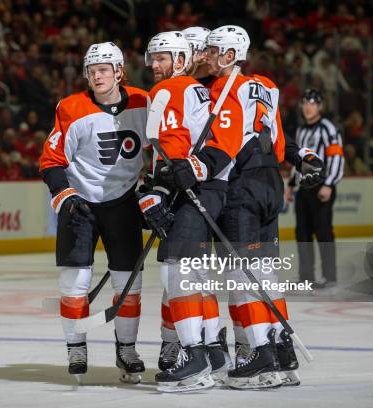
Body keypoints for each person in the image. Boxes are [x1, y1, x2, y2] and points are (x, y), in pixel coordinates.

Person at [204, 26, 324, 389]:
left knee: (242, 274)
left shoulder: (219, 88)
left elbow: (222, 145)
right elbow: (277, 139)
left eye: (213, 51)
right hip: (270, 180)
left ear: (230, 55)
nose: (206, 56)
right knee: (265, 272)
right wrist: (300, 156)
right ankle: (281, 348)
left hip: (241, 185)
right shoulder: (267, 85)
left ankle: (261, 355)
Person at [38, 42, 148, 385]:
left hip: (124, 202)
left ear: (119, 72)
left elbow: (162, 149)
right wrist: (65, 193)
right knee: (75, 282)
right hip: (80, 203)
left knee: (129, 283)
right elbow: (50, 160)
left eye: (104, 69)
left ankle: (126, 348)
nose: (97, 75)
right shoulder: (72, 108)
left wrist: (155, 189)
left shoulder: (145, 102)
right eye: (91, 70)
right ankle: (76, 346)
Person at [140, 31, 240, 392]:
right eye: (152, 58)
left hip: (195, 188)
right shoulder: (200, 90)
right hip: (209, 186)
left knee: (176, 271)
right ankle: (212, 353)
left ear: (181, 61)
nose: (154, 65)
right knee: (193, 273)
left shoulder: (169, 90)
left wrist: (157, 190)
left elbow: (171, 150)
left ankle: (195, 357)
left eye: (162, 58)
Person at [285, 88, 343, 288]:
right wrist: (291, 185)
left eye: (312, 103)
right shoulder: (302, 130)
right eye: (305, 103)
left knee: (323, 232)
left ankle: (330, 277)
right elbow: (299, 160)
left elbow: (336, 157)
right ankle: (306, 276)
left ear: (320, 106)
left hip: (321, 187)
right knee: (302, 233)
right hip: (304, 189)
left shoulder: (327, 128)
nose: (308, 107)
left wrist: (329, 184)